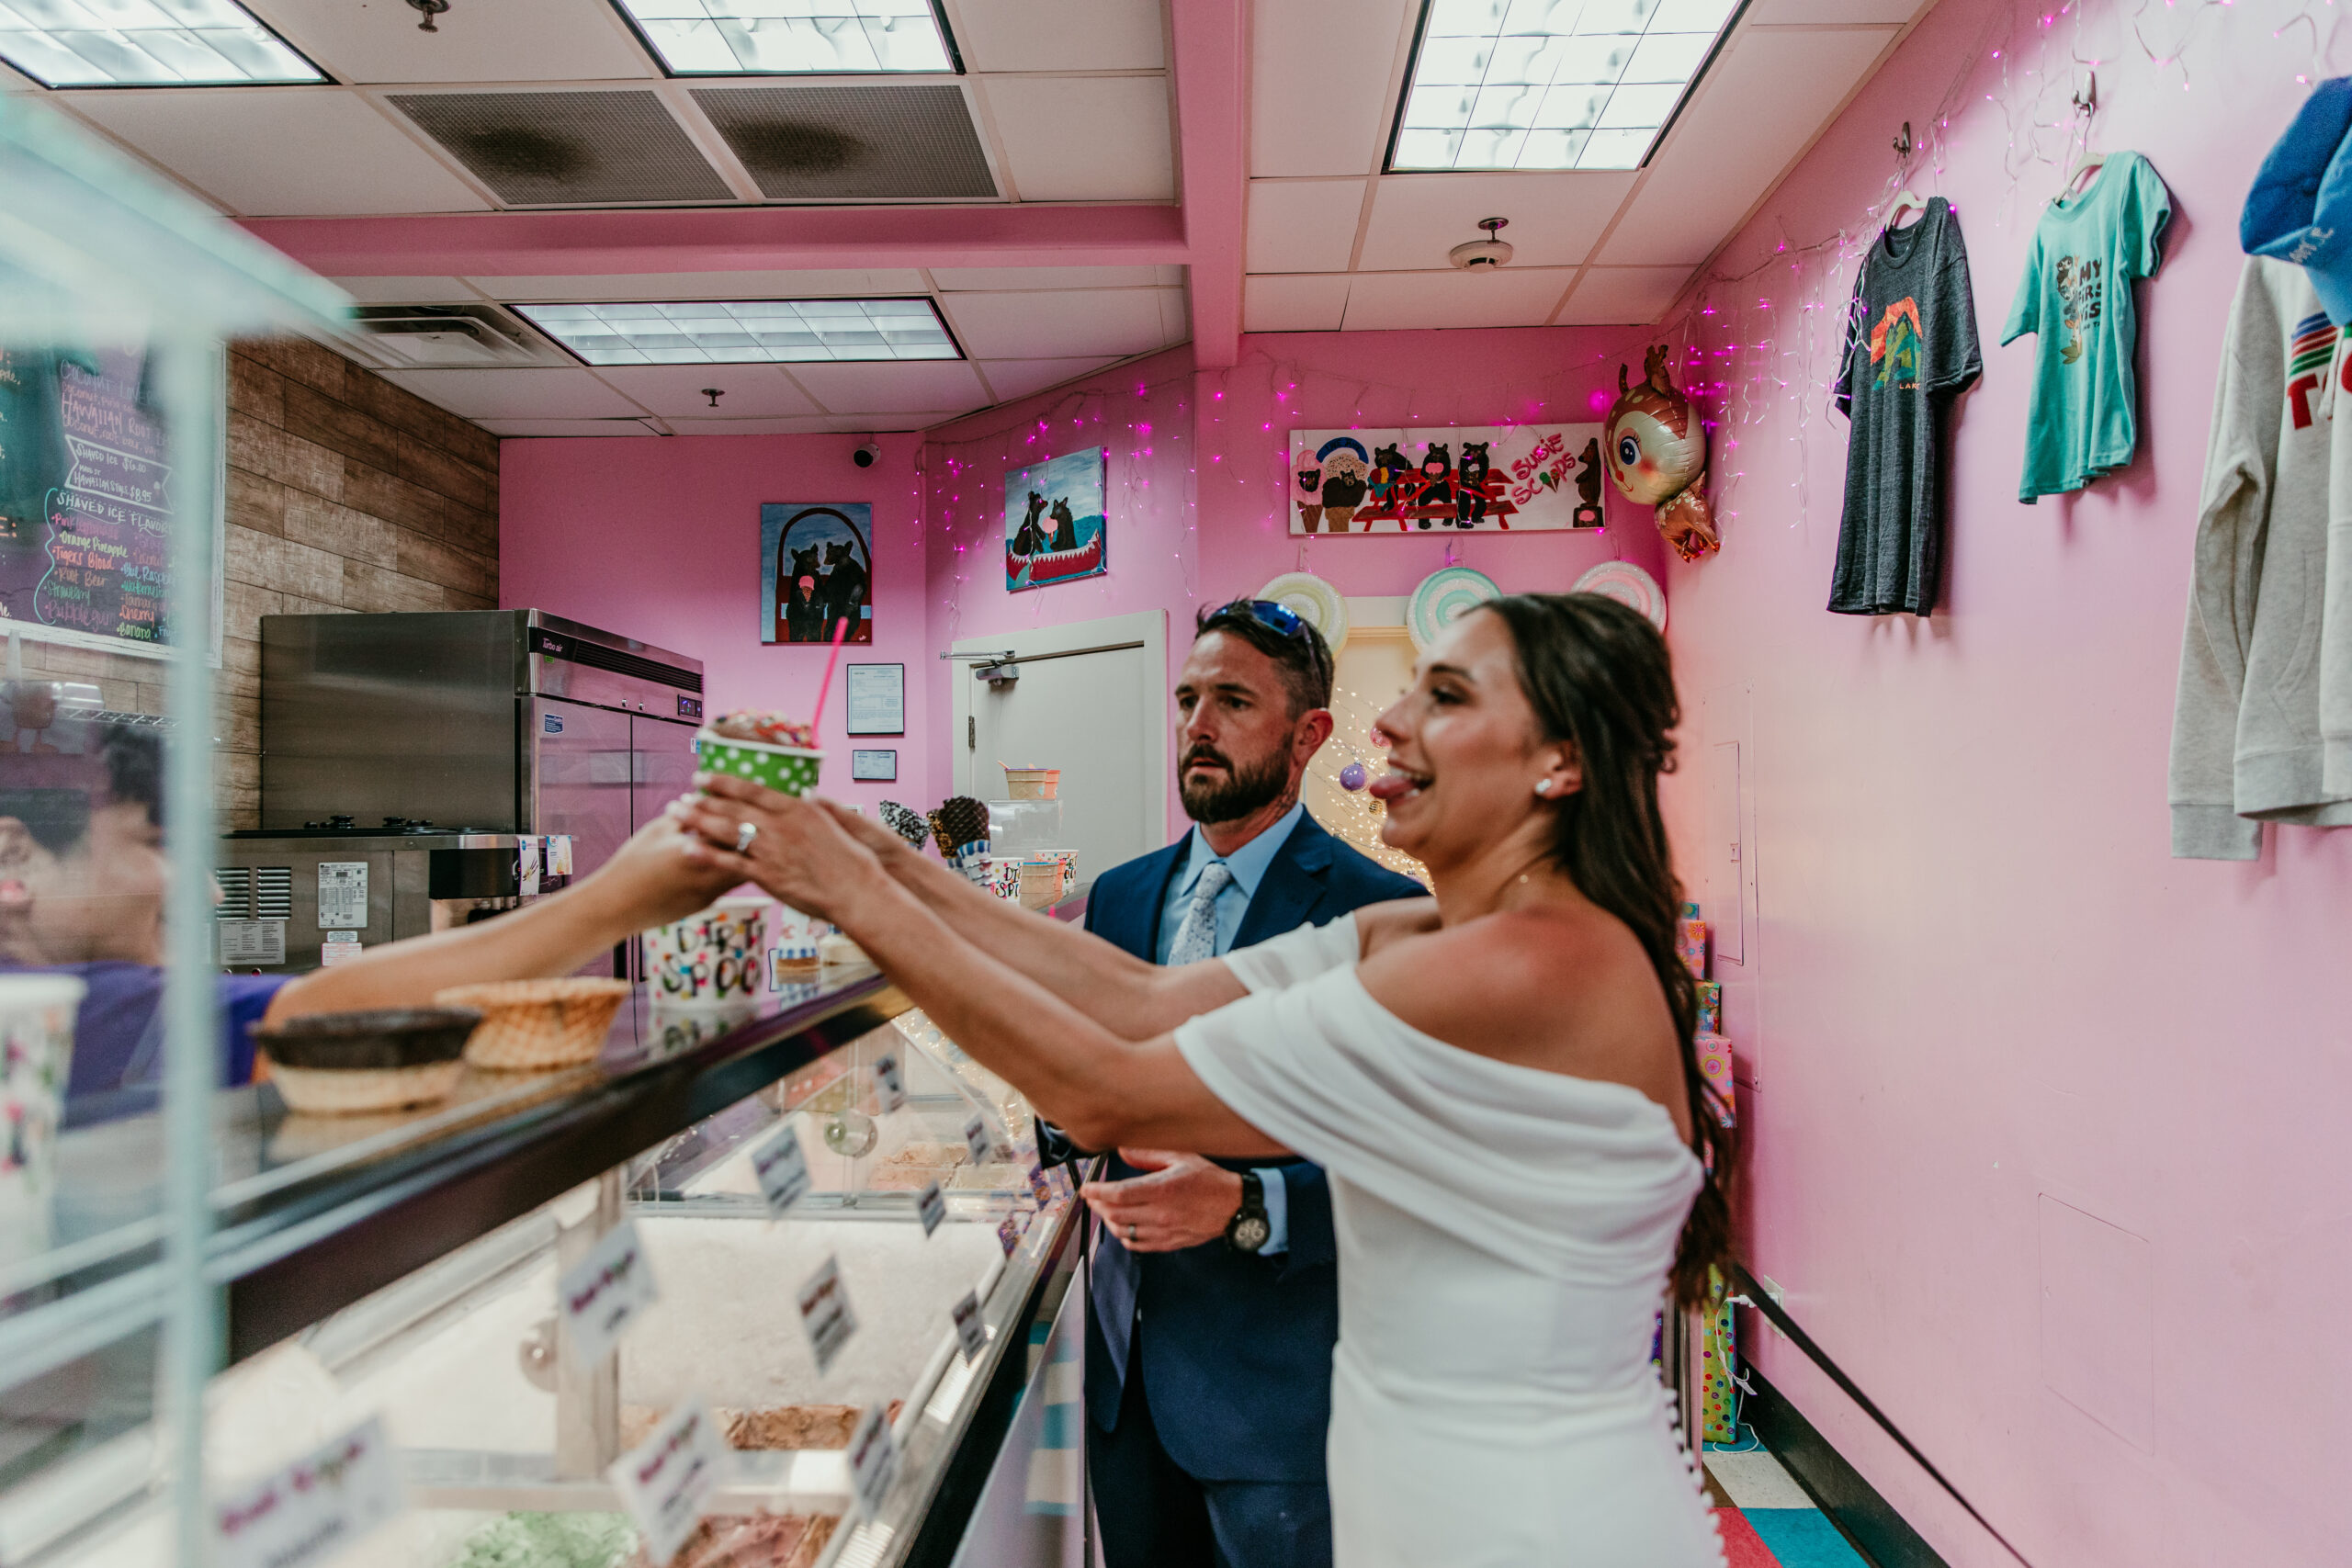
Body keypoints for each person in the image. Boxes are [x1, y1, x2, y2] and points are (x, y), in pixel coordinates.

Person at [671, 592, 1736, 1567]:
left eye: (1444, 695)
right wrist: (880, 856)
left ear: (1560, 761)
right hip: (1420, 1496)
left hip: (1529, 1526)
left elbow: (1109, 1088)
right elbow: (1136, 1000)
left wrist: (853, 899)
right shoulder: (1428, 927)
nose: (1390, 723)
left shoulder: (1529, 962)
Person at [1068, 600, 1420, 1568]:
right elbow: (1096, 1092)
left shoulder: (1380, 914)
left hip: (1286, 1406)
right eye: (1187, 698)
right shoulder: (1120, 896)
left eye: (1231, 700)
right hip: (1126, 1386)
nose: (1197, 724)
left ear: (1308, 735)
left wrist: (1244, 1203)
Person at [0, 715, 741, 1119]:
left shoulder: (103, 1008)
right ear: (13, 856)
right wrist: (621, 898)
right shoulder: (59, 1011)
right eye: (159, 845)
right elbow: (325, 1017)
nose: (211, 892)